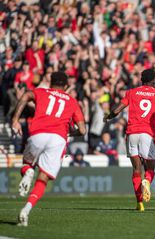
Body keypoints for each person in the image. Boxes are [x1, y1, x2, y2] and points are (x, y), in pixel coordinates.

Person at [104, 68, 155, 212]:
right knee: (149, 168)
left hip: (132, 134)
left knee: (136, 170)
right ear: (153, 80)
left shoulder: (132, 92)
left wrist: (108, 116)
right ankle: (147, 181)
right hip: (148, 135)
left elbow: (117, 110)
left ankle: (139, 204)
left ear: (141, 79)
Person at [12, 72, 86, 226]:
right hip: (58, 139)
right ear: (66, 86)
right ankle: (26, 209)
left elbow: (25, 96)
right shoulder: (72, 101)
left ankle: (28, 171)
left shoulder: (41, 92)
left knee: (27, 163)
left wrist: (15, 120)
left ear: (50, 82)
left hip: (38, 133)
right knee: (43, 178)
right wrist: (69, 132)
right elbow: (82, 130)